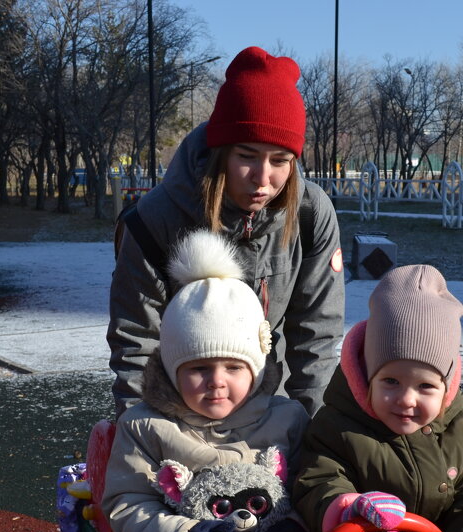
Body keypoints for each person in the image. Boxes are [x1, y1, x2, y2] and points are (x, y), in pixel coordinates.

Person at [109, 45, 344, 420]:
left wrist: (315, 442)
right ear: (221, 152)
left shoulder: (311, 214)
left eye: (280, 161)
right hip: (179, 417)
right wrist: (141, 440)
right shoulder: (153, 220)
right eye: (247, 156)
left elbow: (315, 338)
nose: (263, 179)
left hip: (274, 411)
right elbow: (136, 344)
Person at [101, 230, 311, 532]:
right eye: (198, 368)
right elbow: (126, 505)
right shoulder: (147, 426)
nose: (217, 381)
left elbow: (309, 489)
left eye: (233, 367)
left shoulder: (286, 418)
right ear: (171, 369)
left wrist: (295, 529)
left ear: (257, 368)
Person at [292, 264, 463, 532]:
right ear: (367, 377)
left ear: (447, 387)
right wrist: (347, 508)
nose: (407, 399)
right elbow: (316, 482)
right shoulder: (337, 428)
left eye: (425, 387)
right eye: (391, 381)